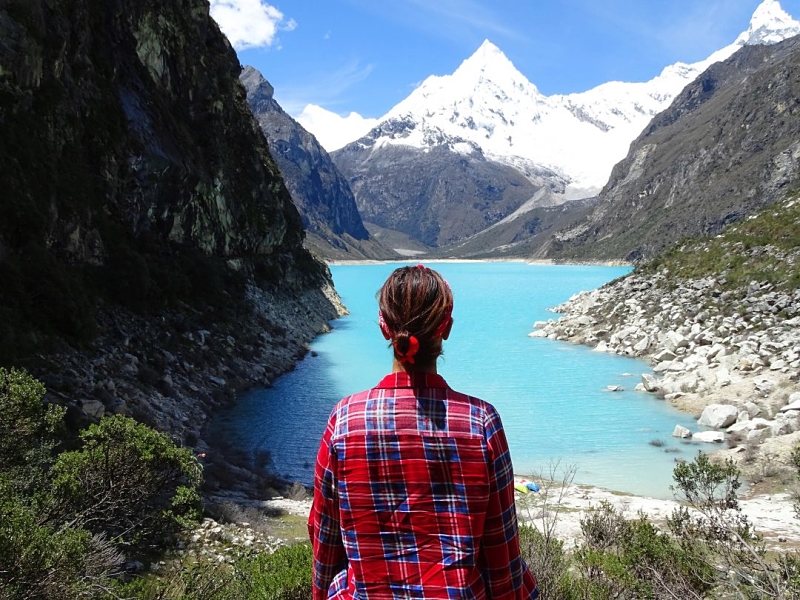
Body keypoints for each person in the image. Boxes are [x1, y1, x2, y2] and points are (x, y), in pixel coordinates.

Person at [308, 264, 539, 599]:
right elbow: (501, 551)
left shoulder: (344, 421)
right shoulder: (482, 422)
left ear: (384, 327)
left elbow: (325, 537)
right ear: (446, 328)